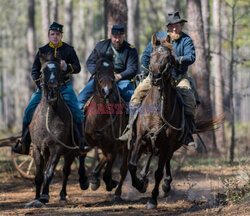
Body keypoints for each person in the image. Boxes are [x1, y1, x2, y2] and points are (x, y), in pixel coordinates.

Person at [119, 11, 199, 146]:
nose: (175, 29)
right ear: (168, 27)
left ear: (181, 26)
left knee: (189, 99)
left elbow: (191, 57)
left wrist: (176, 59)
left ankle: (188, 133)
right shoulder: (158, 38)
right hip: (156, 77)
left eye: (177, 26)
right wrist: (146, 71)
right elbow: (145, 56)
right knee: (136, 95)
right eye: (172, 26)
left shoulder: (186, 40)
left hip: (179, 77)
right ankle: (130, 128)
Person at [12, 22, 90, 155]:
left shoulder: (68, 50)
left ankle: (80, 143)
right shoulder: (42, 50)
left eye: (57, 34)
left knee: (77, 112)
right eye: (52, 34)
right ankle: (24, 143)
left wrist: (66, 67)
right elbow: (35, 71)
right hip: (44, 89)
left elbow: (77, 67)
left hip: (64, 87)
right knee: (29, 111)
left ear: (61, 36)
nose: (55, 37)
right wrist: (40, 85)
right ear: (49, 35)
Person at [77, 25, 138, 111]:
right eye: (115, 37)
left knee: (133, 100)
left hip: (121, 79)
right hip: (100, 78)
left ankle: (131, 122)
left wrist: (120, 76)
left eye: (119, 37)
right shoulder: (101, 45)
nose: (117, 40)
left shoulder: (130, 50)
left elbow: (133, 68)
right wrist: (96, 73)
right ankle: (79, 121)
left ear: (124, 36)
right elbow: (90, 62)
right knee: (81, 98)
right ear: (111, 36)